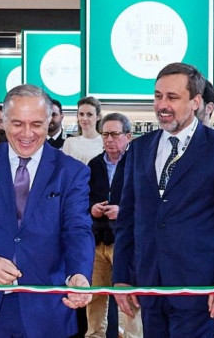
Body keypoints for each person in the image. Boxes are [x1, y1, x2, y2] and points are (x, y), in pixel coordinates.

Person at [112, 62, 214, 337]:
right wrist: (121, 276)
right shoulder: (140, 148)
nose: (162, 105)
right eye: (157, 96)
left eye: (172, 97)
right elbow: (128, 220)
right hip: (149, 287)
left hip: (199, 289)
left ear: (195, 102)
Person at [0, 84, 95, 338]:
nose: (27, 133)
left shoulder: (72, 172)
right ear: (3, 122)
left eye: (37, 124)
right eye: (18, 124)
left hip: (48, 308)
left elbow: (77, 230)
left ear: (50, 121)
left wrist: (79, 274)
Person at [85, 113, 141, 338]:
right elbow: (82, 198)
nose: (109, 139)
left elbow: (147, 201)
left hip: (126, 242)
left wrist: (123, 211)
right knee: (96, 297)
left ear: (128, 136)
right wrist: (92, 208)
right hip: (98, 240)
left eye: (115, 134)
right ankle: (94, 335)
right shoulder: (94, 164)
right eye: (105, 134)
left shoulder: (138, 164)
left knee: (127, 295)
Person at [63, 96, 104, 164]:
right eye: (81, 114)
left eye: (89, 114)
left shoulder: (105, 142)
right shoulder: (69, 142)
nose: (84, 118)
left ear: (98, 117)